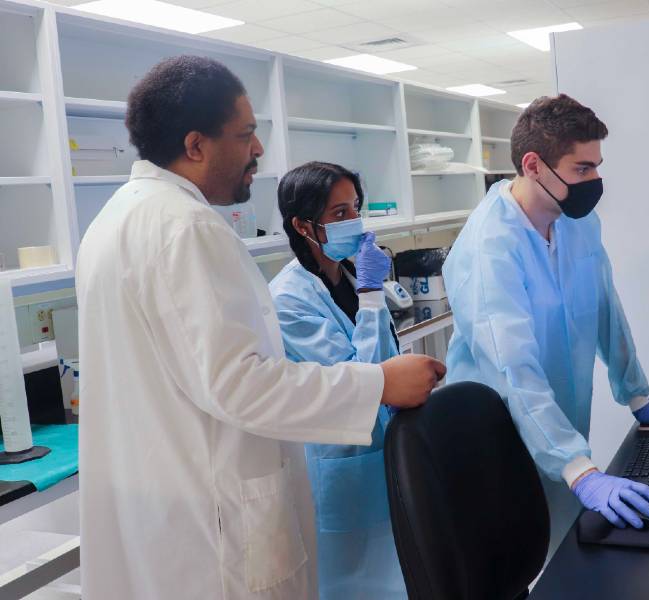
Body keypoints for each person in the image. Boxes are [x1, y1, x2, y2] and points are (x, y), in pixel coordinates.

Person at [76, 56, 445, 600]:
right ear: (196, 144)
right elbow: (239, 383)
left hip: (169, 513)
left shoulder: (117, 219)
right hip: (215, 531)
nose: (258, 150)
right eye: (246, 133)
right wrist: (379, 384)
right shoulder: (186, 228)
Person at [442, 95, 649, 555]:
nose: (595, 181)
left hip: (560, 426)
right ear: (534, 165)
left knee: (567, 550)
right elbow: (512, 369)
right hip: (496, 435)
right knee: (515, 560)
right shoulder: (489, 250)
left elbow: (605, 307)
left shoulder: (575, 223)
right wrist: (579, 469)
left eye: (598, 167)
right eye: (582, 169)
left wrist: (636, 394)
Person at [268, 162, 405, 599]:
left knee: (398, 576)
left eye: (356, 208)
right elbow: (364, 380)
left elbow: (387, 367)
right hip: (340, 462)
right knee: (349, 583)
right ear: (303, 225)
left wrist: (368, 292)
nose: (355, 222)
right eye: (340, 212)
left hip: (384, 451)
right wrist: (369, 294)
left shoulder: (348, 277)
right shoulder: (288, 300)